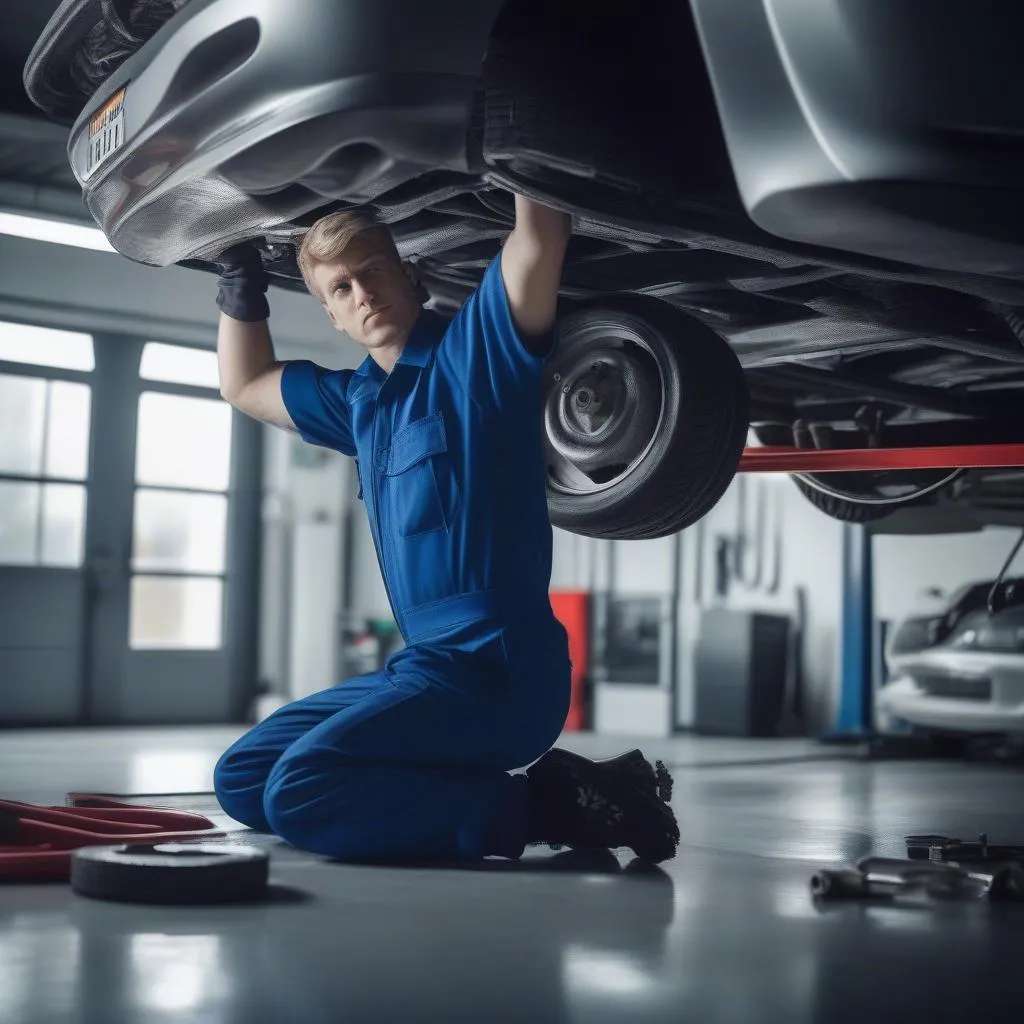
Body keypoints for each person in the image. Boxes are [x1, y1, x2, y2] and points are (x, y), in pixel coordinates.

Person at [211, 192, 680, 863]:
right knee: (244, 779)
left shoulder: (475, 355)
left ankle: (560, 805)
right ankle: (448, 789)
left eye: (372, 270)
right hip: (426, 667)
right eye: (341, 288)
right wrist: (239, 278)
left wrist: (526, 141)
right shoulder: (360, 404)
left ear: (408, 273)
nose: (362, 292)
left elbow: (539, 238)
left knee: (301, 788)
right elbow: (245, 381)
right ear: (333, 315)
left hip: (499, 672)